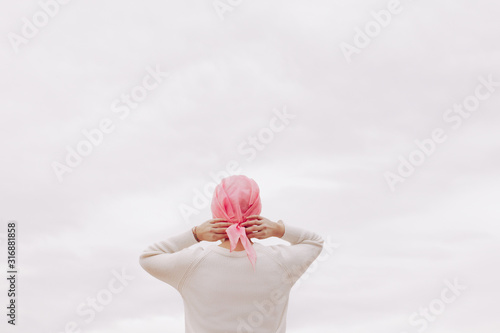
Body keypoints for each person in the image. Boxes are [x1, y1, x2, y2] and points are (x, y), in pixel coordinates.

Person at [139, 175, 324, 333]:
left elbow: (148, 257)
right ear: (257, 212)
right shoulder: (281, 263)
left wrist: (195, 234)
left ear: (215, 212)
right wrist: (278, 229)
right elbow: (315, 242)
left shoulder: (192, 264)